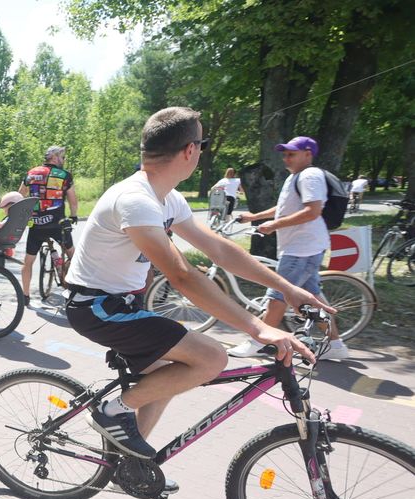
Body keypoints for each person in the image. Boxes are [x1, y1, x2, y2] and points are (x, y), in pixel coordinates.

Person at [63, 107, 330, 474]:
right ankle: (113, 411)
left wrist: (287, 288)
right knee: (210, 358)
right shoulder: (135, 199)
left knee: (166, 378)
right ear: (190, 150)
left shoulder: (168, 198)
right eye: (202, 144)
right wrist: (258, 327)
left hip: (123, 305)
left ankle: (128, 467)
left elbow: (219, 249)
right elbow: (183, 275)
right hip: (97, 307)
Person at [229, 136, 350, 360]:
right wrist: (255, 217)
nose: (286, 158)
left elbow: (312, 211)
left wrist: (273, 226)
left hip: (302, 248)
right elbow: (285, 208)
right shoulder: (295, 177)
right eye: (284, 154)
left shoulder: (309, 176)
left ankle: (257, 341)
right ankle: (336, 345)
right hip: (302, 247)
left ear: (308, 154)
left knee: (278, 295)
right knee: (312, 297)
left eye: (291, 154)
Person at [19, 146, 79, 304]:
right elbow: (73, 200)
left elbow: (20, 196)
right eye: (63, 157)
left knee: (28, 261)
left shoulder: (31, 173)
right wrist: (73, 215)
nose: (64, 160)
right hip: (57, 224)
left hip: (36, 224)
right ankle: (76, 291)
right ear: (55, 158)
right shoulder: (65, 176)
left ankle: (25, 295)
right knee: (74, 256)